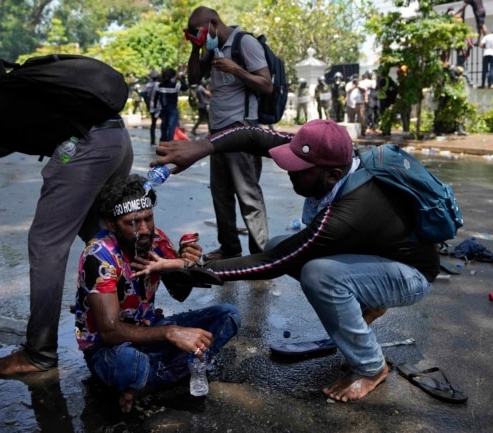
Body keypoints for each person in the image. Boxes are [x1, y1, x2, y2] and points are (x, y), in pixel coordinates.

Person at [151, 119, 438, 403]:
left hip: (410, 275)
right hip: (377, 256)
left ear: (333, 175)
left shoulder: (348, 212)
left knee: (318, 274)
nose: (288, 171)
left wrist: (192, 270)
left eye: (300, 171)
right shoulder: (324, 153)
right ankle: (370, 302)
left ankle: (371, 367)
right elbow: (252, 135)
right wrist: (200, 147)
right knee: (279, 243)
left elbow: (276, 262)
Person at [0, 64, 133, 378]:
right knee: (98, 233)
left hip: (81, 149)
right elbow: (10, 138)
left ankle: (39, 352)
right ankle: (130, 311)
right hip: (113, 139)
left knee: (46, 244)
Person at [74, 174, 240, 413]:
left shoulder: (157, 239)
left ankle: (147, 383)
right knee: (129, 364)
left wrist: (184, 263)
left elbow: (179, 293)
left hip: (150, 330)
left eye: (148, 219)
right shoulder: (99, 255)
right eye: (133, 222)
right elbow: (110, 332)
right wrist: (171, 333)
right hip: (109, 350)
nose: (144, 230)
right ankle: (165, 374)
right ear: (111, 224)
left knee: (228, 316)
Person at [185, 6, 271, 261]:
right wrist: (195, 47)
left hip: (242, 129)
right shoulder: (211, 49)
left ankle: (260, 255)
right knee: (220, 193)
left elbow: (266, 85)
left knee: (248, 195)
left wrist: (236, 70)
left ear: (213, 23)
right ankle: (230, 248)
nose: (199, 37)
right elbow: (192, 79)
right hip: (218, 133)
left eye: (200, 32)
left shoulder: (245, 43)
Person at [154, 67, 188, 142]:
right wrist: (181, 78)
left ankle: (163, 141)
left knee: (164, 126)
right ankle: (170, 141)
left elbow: (155, 98)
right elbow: (185, 87)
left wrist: (155, 109)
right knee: (171, 127)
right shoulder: (175, 85)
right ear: (173, 76)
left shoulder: (159, 86)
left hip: (163, 109)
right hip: (173, 109)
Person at [143, 69, 161, 146]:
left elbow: (146, 96)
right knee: (164, 123)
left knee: (153, 123)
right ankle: (163, 139)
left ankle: (152, 140)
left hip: (151, 105)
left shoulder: (148, 85)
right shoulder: (159, 84)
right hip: (160, 105)